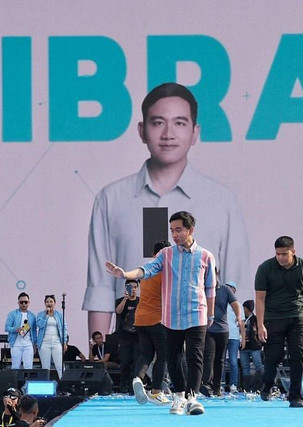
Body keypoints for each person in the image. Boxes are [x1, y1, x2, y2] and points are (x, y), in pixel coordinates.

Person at [85, 82, 251, 337]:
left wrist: (230, 334)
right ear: (142, 130)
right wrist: (97, 355)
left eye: (180, 123)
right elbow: (99, 286)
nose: (168, 134)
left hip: (195, 320)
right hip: (137, 319)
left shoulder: (222, 201)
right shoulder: (111, 198)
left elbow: (233, 286)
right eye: (158, 122)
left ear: (195, 132)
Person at [106, 210, 216, 416]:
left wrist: (210, 315)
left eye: (179, 230)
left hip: (197, 313)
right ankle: (179, 397)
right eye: (172, 230)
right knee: (173, 357)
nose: (174, 235)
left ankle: (192, 398)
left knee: (195, 357)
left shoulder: (206, 256)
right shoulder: (165, 254)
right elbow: (146, 270)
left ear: (191, 230)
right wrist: (124, 274)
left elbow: (210, 288)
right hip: (171, 316)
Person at [255, 236, 303, 408]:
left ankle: (295, 396)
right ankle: (268, 384)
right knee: (273, 357)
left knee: (298, 355)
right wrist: (260, 324)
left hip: (297, 317)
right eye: (278, 254)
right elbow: (260, 298)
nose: (281, 258)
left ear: (293, 252)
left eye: (285, 254)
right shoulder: (265, 268)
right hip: (273, 318)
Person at [131, 240, 171, 406]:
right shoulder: (164, 271)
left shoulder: (145, 269)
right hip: (158, 318)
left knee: (146, 353)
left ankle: (138, 379)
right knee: (163, 356)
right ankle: (156, 392)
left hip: (140, 317)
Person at [201, 281, 244, 397]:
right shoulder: (201, 287)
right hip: (207, 328)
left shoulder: (225, 289)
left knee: (220, 359)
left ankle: (217, 387)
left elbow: (235, 303)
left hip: (222, 329)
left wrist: (239, 316)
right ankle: (206, 385)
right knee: (209, 357)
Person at [115, 279, 140, 394]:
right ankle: (123, 386)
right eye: (131, 287)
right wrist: (125, 298)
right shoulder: (120, 301)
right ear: (126, 288)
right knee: (125, 363)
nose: (133, 289)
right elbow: (118, 311)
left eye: (135, 287)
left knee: (136, 363)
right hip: (124, 336)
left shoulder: (141, 301)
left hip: (138, 337)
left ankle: (133, 388)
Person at [35, 295, 67, 379]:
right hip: (44, 343)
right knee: (45, 367)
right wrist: (46, 315)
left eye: (51, 301)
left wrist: (64, 342)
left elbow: (64, 328)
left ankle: (64, 385)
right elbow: (39, 325)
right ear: (45, 303)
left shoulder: (59, 315)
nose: (49, 303)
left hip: (56, 342)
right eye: (47, 302)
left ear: (54, 303)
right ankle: (46, 386)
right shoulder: (41, 314)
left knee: (60, 365)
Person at [5, 293, 38, 370]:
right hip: (16, 344)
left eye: (25, 302)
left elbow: (34, 330)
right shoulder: (12, 314)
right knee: (15, 367)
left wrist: (34, 344)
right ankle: (15, 382)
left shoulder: (32, 315)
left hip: (28, 344)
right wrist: (16, 329)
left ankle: (27, 381)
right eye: (21, 302)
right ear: (18, 303)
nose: (23, 304)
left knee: (29, 367)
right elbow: (7, 327)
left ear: (29, 302)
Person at [240, 299, 264, 392]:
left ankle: (262, 384)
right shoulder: (241, 318)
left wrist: (260, 343)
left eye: (245, 307)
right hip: (244, 346)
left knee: (258, 364)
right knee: (245, 367)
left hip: (254, 346)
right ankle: (247, 387)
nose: (243, 309)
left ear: (249, 308)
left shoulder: (256, 319)